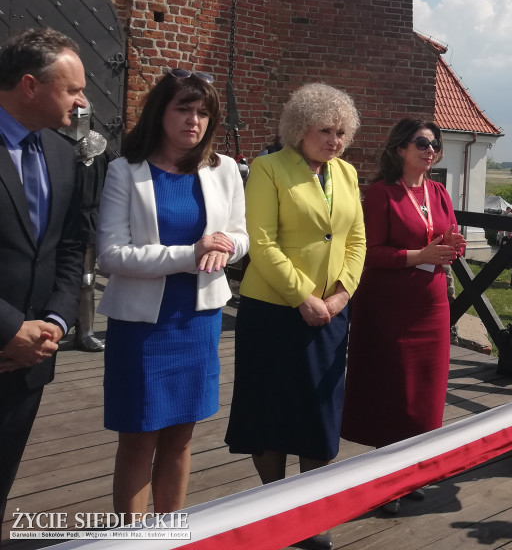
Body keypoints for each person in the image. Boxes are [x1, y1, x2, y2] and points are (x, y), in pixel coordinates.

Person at [96, 68, 248, 519]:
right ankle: (130, 541)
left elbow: (241, 236)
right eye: (184, 109)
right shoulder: (125, 171)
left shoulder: (224, 170)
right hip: (141, 326)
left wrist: (225, 247)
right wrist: (191, 253)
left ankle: (168, 534)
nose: (193, 120)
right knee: (138, 437)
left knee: (181, 437)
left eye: (203, 113)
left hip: (197, 321)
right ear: (160, 111)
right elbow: (111, 255)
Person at [225, 83, 364, 550]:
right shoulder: (268, 168)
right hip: (273, 313)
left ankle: (308, 513)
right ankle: (273, 504)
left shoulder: (347, 173)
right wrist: (304, 297)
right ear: (300, 128)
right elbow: (261, 242)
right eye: (325, 130)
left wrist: (341, 295)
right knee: (270, 410)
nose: (335, 140)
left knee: (318, 412)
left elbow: (356, 239)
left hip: (331, 314)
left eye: (341, 132)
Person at [342, 118, 465, 516]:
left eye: (435, 144)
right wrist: (419, 255)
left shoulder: (438, 191)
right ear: (400, 149)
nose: (431, 150)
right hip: (390, 308)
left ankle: (408, 475)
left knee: (425, 394)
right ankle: (384, 484)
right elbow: (371, 252)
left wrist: (453, 245)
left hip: (431, 306)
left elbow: (448, 237)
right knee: (393, 392)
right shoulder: (382, 193)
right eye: (422, 143)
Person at [0, 28, 86, 524]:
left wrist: (55, 320)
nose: (82, 102)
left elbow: (70, 247)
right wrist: (10, 328)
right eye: (72, 89)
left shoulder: (61, 154)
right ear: (31, 86)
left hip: (32, 361)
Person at [57, 99, 110, 352]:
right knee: (46, 275)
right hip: (57, 219)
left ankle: (85, 332)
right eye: (74, 113)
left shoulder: (101, 147)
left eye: (83, 114)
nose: (78, 118)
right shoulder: (53, 143)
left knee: (87, 279)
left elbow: (114, 182)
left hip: (88, 221)